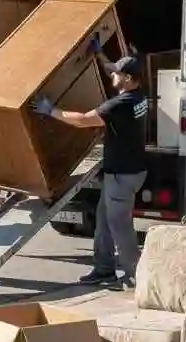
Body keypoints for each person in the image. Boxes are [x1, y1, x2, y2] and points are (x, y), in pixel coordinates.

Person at [32, 53, 148, 290]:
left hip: (122, 175)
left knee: (120, 226)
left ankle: (136, 277)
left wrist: (50, 110)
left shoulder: (120, 104)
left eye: (116, 73)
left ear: (127, 78)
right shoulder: (139, 96)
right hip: (127, 171)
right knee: (104, 221)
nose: (111, 74)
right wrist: (99, 54)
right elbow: (111, 70)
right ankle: (104, 269)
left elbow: (84, 120)